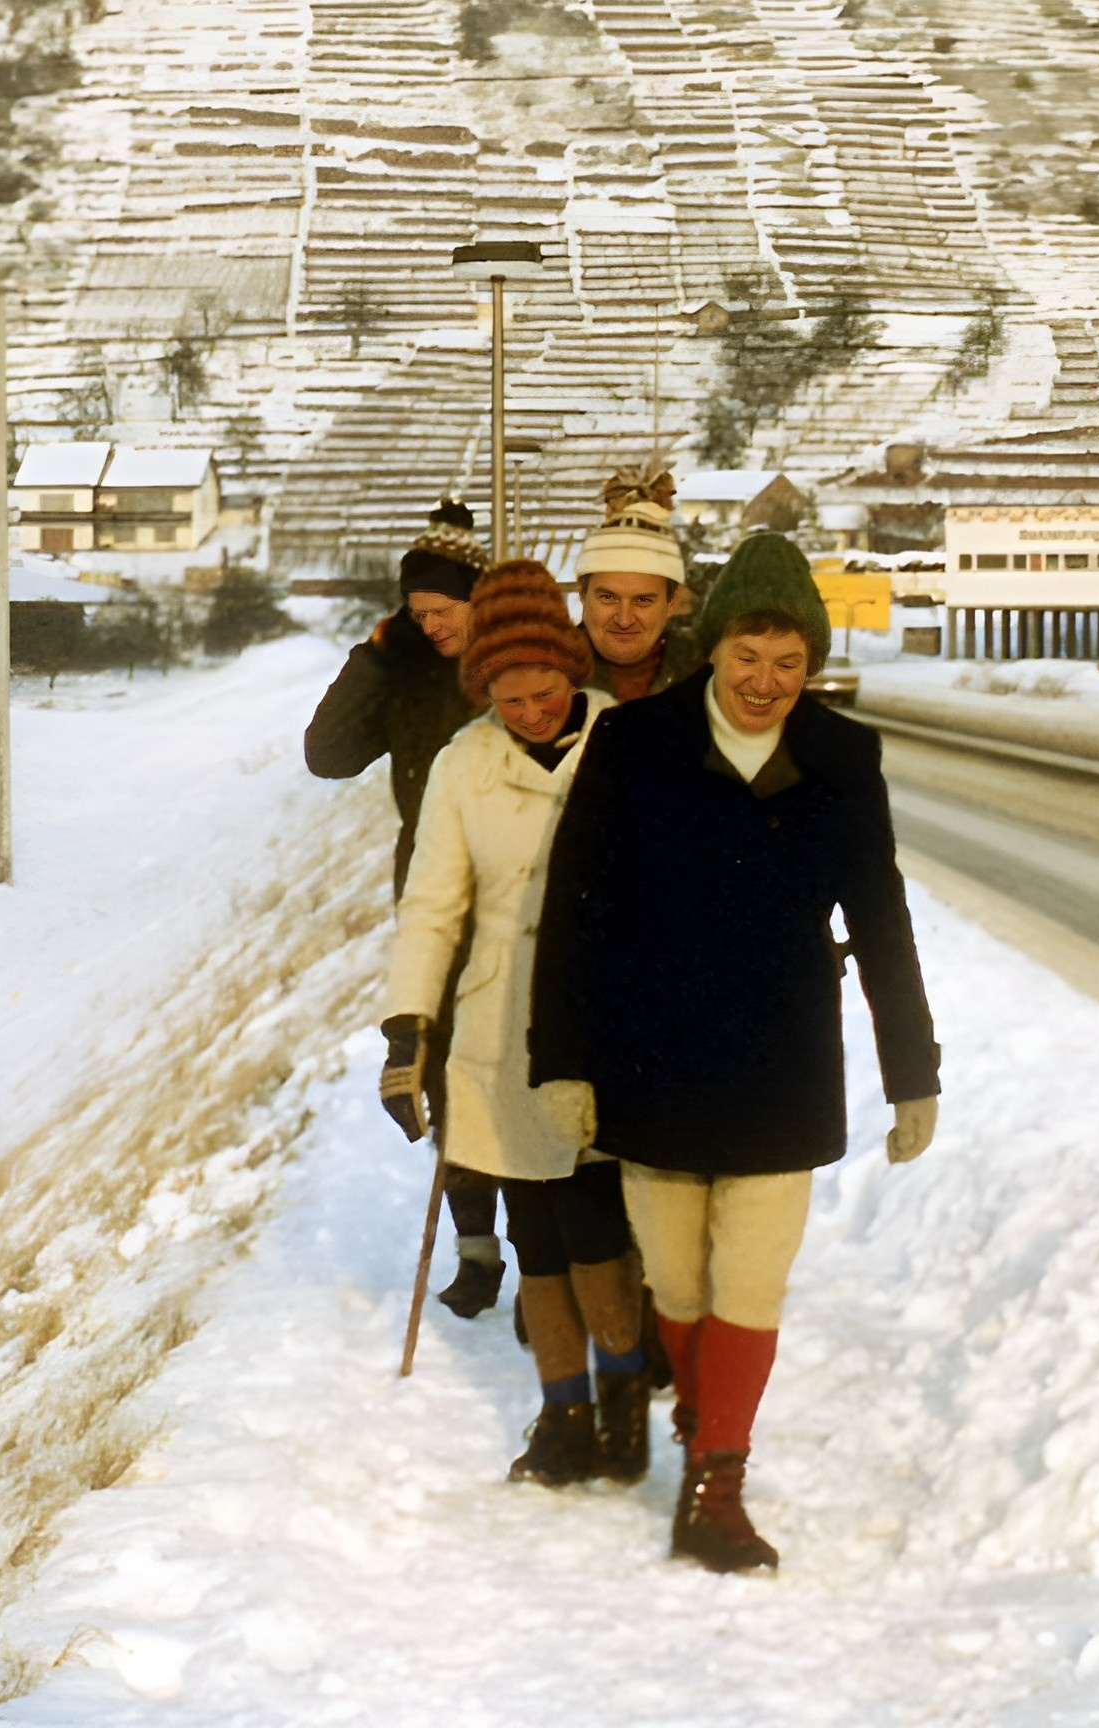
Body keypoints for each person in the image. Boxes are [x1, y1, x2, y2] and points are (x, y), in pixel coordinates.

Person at [527, 532, 942, 1574]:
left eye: (789, 661)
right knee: (678, 1286)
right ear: (711, 649)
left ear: (813, 666)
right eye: (749, 655)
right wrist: (560, 1062)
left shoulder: (844, 758)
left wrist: (913, 1072)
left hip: (780, 1061)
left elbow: (882, 918)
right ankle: (698, 1432)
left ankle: (717, 1486)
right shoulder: (634, 743)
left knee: (749, 1286)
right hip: (651, 1060)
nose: (766, 682)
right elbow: (570, 911)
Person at [378, 561, 656, 1484]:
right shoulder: (463, 764)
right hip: (500, 1027)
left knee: (597, 1220)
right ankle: (562, 1415)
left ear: (571, 673)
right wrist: (407, 1031)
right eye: (510, 699)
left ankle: (623, 1410)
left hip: (606, 1018)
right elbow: (431, 908)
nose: (532, 713)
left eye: (545, 693)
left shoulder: (629, 741)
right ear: (482, 690)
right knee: (535, 1228)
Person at [306, 499, 511, 1315]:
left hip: (520, 895)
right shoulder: (403, 671)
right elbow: (326, 755)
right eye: (415, 612)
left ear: (478, 600)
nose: (430, 626)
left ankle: (547, 1259)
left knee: (523, 1074)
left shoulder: (515, 669)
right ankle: (477, 1250)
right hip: (431, 899)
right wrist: (377, 653)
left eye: (440, 610)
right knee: (449, 1067)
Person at [574, 467, 693, 704]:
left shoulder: (700, 674)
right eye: (608, 598)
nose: (624, 619)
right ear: (582, 595)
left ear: (672, 602)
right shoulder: (545, 670)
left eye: (643, 600)